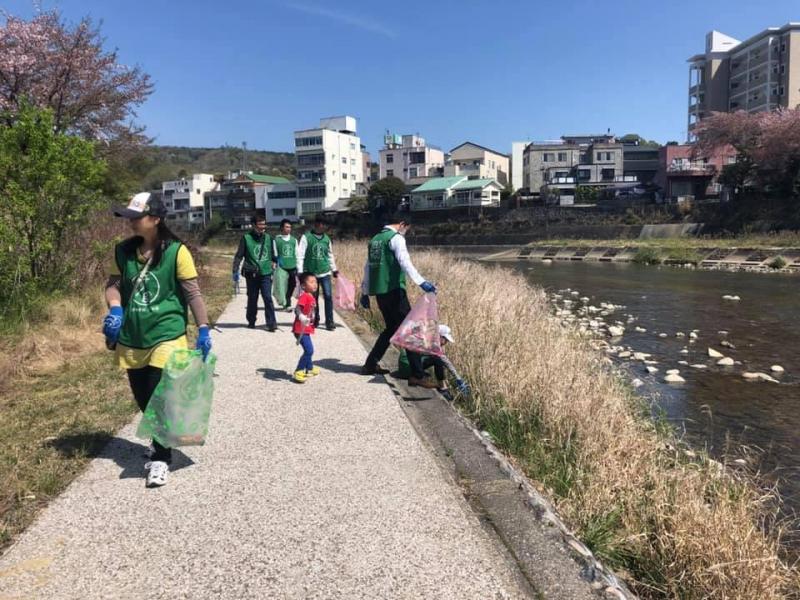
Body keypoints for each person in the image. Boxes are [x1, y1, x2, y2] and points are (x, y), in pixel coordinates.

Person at [102, 192, 212, 488]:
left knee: (157, 395)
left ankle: (162, 458)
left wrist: (203, 328)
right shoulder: (123, 251)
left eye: (136, 216)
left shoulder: (177, 252)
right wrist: (115, 308)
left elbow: (192, 293)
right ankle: (160, 440)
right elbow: (113, 285)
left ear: (156, 219)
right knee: (142, 398)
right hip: (133, 335)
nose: (131, 221)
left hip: (167, 334)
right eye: (129, 216)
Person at [359, 214, 438, 389]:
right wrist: (422, 282)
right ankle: (417, 375)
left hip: (380, 292)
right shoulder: (396, 238)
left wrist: (364, 292)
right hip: (394, 290)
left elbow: (368, 267)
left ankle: (370, 364)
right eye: (406, 229)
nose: (405, 232)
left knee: (391, 329)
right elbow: (405, 262)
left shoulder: (375, 240)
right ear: (402, 224)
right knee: (411, 329)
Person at [398, 325, 470, 399]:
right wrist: (458, 378)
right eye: (446, 340)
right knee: (437, 360)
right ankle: (442, 387)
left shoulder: (425, 336)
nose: (446, 342)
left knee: (435, 359)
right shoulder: (433, 344)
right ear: (440, 336)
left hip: (404, 366)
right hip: (407, 367)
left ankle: (438, 384)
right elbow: (446, 362)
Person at [232, 213, 278, 331]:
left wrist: (275, 261)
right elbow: (239, 255)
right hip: (252, 274)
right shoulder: (246, 238)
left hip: (266, 273)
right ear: (253, 225)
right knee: (252, 298)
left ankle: (271, 323)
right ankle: (251, 320)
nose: (263, 227)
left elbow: (273, 255)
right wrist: (235, 270)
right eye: (260, 225)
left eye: (264, 224)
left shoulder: (269, 238)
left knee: (267, 297)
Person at [298, 215, 338, 331]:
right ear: (317, 224)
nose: (324, 227)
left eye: (325, 225)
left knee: (328, 296)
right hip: (311, 273)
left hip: (325, 272)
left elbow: (330, 255)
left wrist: (334, 269)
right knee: (313, 298)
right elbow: (300, 254)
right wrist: (300, 271)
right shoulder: (306, 237)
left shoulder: (327, 239)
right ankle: (315, 318)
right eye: (322, 224)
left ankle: (329, 321)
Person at [292, 273, 320, 383]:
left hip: (307, 329)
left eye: (315, 282)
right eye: (311, 282)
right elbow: (297, 309)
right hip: (300, 329)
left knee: (308, 350)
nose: (315, 284)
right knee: (309, 350)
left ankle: (309, 368)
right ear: (303, 286)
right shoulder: (304, 296)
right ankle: (299, 370)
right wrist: (301, 317)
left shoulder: (311, 296)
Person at [273, 218, 298, 311]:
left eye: (290, 227)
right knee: (282, 286)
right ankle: (286, 303)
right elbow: (275, 253)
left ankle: (288, 298)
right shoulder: (276, 240)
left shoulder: (294, 240)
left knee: (292, 284)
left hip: (292, 266)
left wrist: (298, 266)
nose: (288, 229)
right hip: (282, 267)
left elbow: (297, 253)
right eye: (286, 227)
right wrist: (276, 262)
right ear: (282, 228)